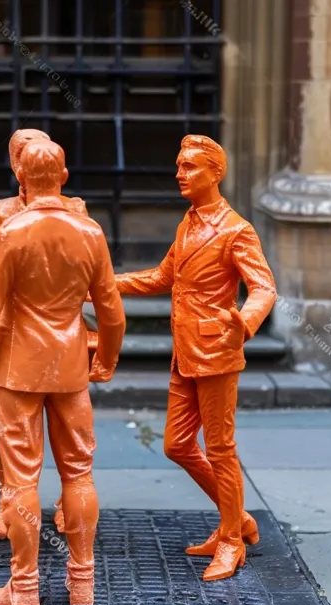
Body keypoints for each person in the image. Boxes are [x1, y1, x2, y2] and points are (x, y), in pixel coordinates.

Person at [0, 140, 126, 605]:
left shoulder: (11, 230)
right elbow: (113, 313)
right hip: (69, 367)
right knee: (79, 475)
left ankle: (23, 592)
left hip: (17, 369)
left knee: (21, 481)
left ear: (21, 177)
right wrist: (105, 358)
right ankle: (82, 584)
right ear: (63, 176)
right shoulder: (90, 231)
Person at [114, 134, 276, 581]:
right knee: (177, 445)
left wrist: (243, 323)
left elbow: (264, 287)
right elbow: (163, 276)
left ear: (215, 173)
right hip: (185, 352)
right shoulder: (188, 223)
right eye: (179, 165)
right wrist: (107, 283)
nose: (179, 174)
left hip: (218, 351)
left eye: (188, 167)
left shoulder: (236, 229)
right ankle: (237, 519)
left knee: (221, 449)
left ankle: (230, 541)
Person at [0, 128, 89, 541]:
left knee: (69, 427)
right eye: (21, 155)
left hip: (61, 332)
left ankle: (68, 503)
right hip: (8, 330)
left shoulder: (76, 210)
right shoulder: (4, 211)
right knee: (2, 424)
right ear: (16, 166)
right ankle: (10, 503)